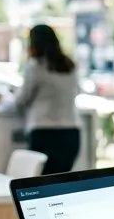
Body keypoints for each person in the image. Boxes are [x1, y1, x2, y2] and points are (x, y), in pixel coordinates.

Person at [12, 24, 81, 175]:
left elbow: (22, 99)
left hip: (45, 133)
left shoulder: (35, 66)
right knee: (61, 182)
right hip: (71, 133)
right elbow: (76, 91)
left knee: (42, 184)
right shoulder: (70, 65)